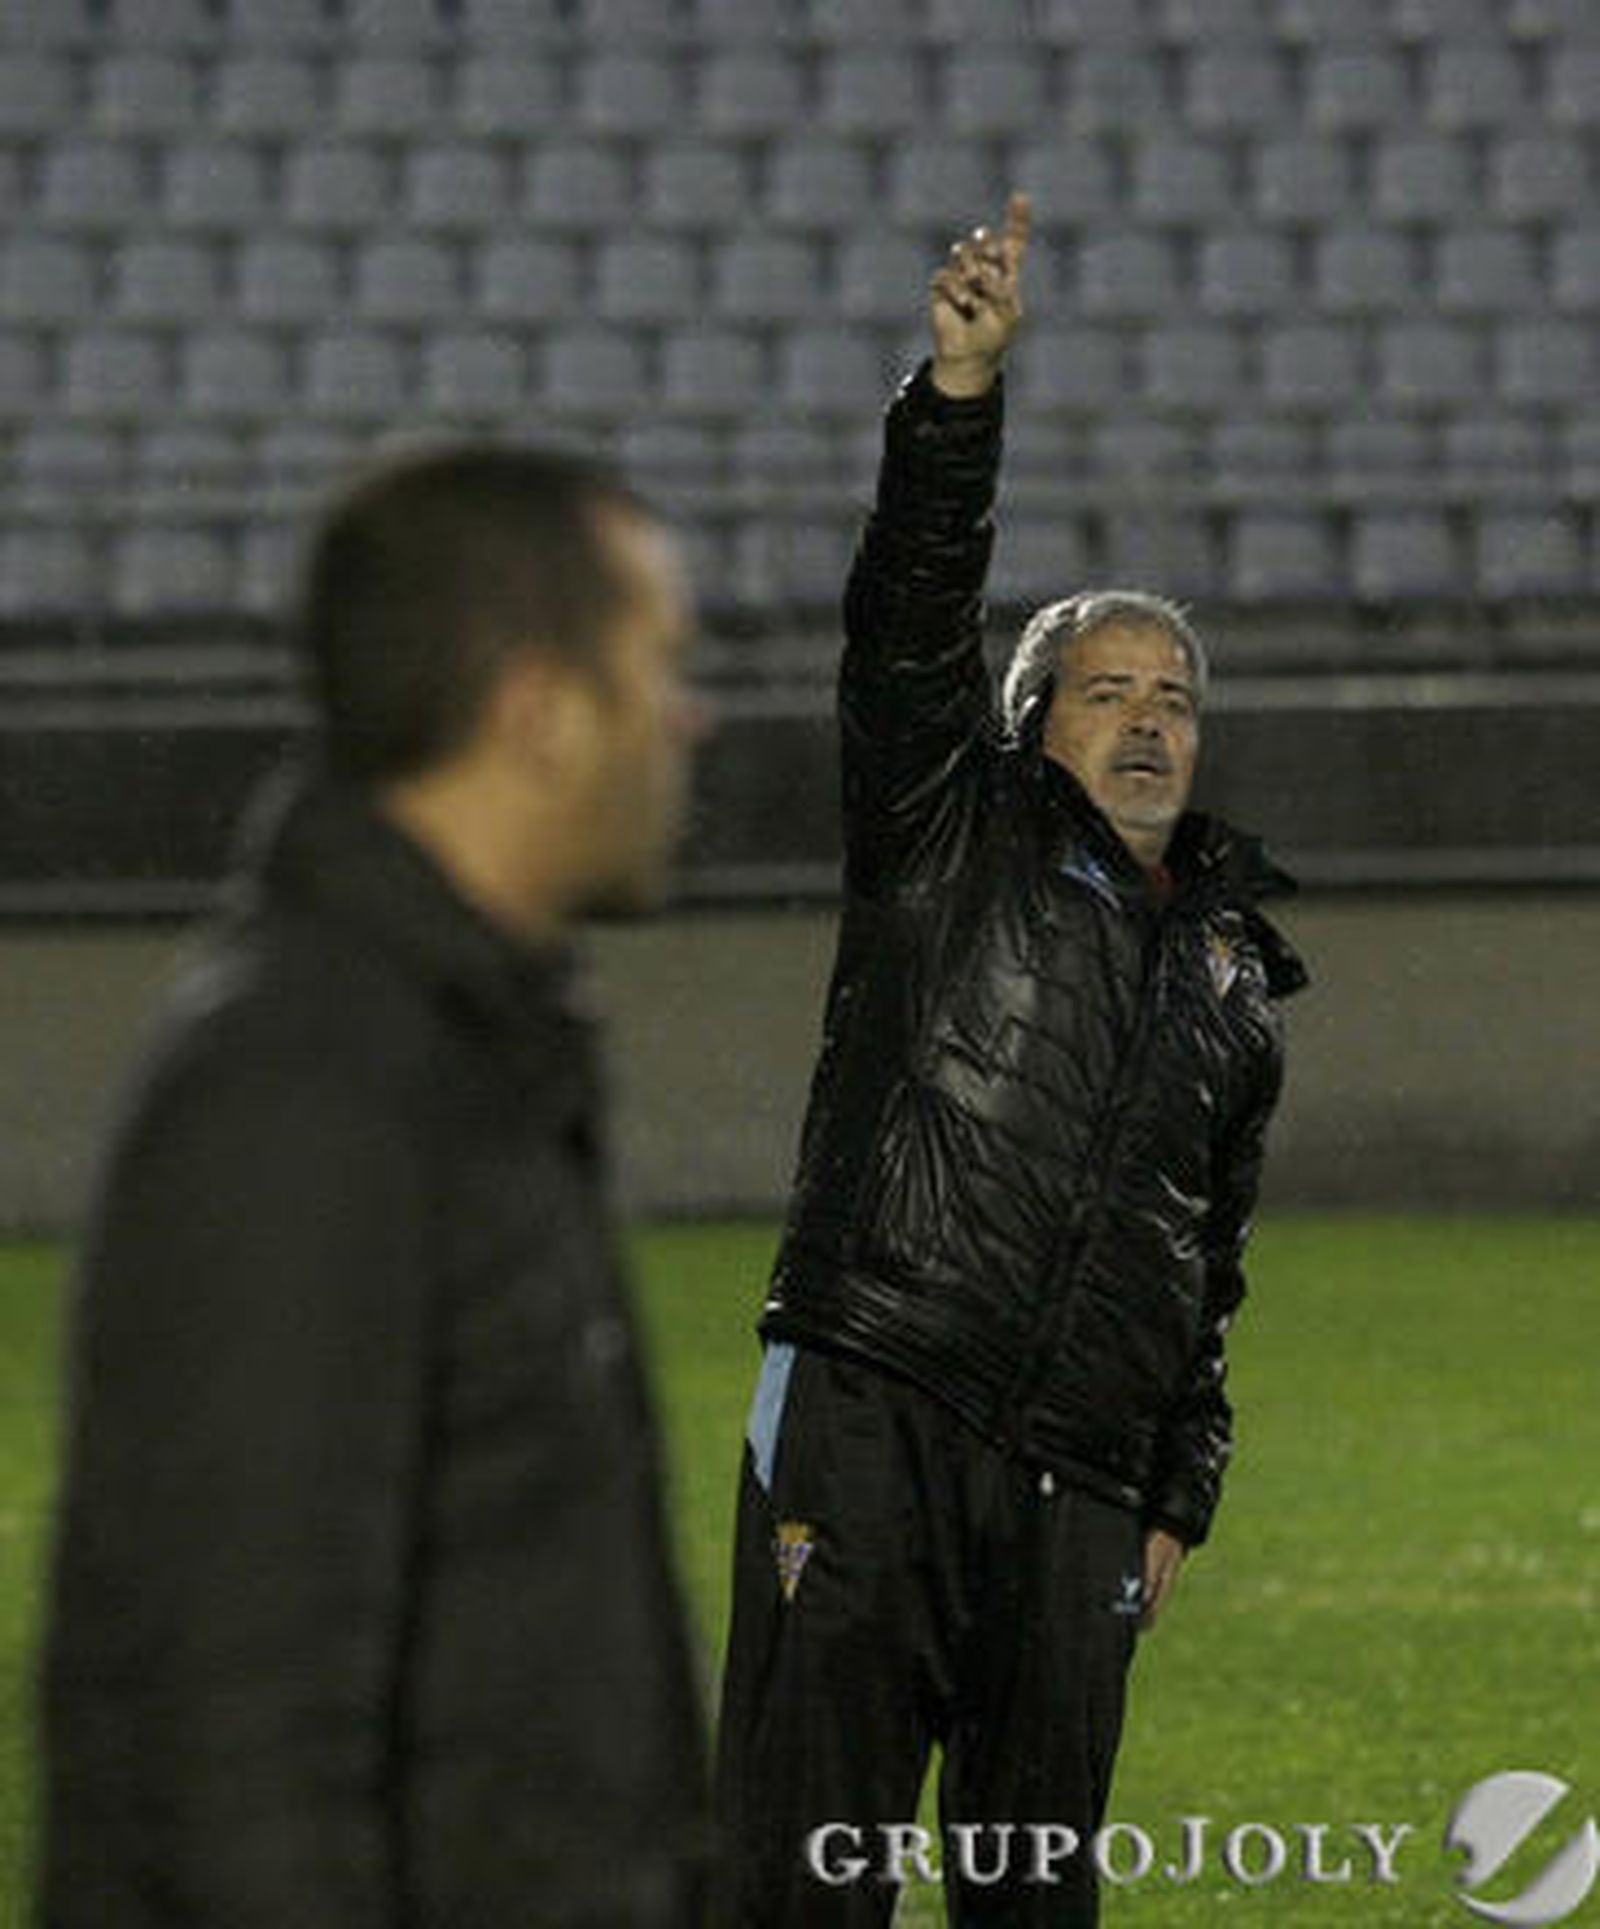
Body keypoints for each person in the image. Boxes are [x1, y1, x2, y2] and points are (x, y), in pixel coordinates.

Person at [714, 195, 1308, 1927]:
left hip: (1083, 1487)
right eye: (1106, 687)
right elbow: (908, 615)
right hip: (873, 1405)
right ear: (1029, 721)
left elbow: (1212, 1259)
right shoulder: (942, 832)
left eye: (1176, 697)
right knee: (795, 1867)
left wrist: (1176, 1485)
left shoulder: (1235, 976)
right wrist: (956, 404)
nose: (1148, 718)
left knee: (1032, 1899)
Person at [40, 444, 711, 1927]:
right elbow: (237, 1744)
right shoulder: (303, 1090)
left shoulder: (464, 1047)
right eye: (659, 666)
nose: (691, 717)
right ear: (537, 711)